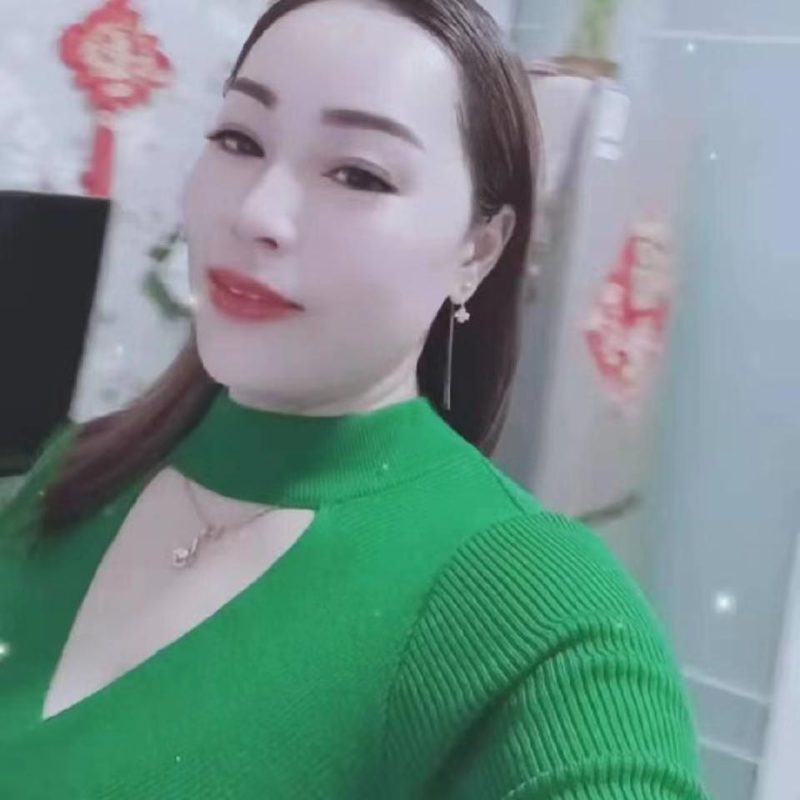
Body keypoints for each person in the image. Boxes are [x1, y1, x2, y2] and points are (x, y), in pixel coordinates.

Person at [0, 0, 708, 797]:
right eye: (239, 139)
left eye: (359, 174)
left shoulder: (538, 605)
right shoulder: (79, 470)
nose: (257, 213)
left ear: (477, 250)